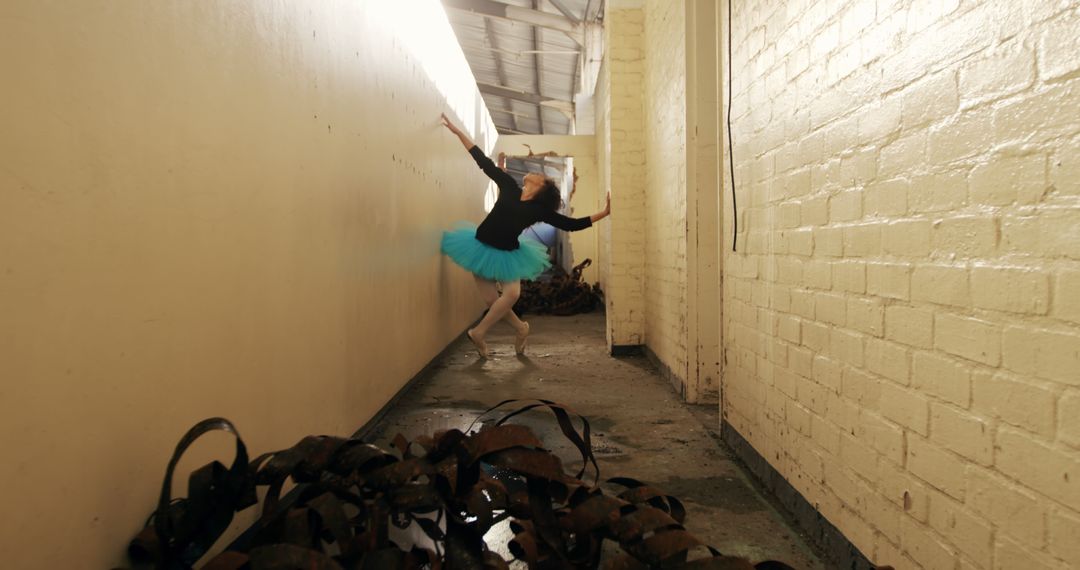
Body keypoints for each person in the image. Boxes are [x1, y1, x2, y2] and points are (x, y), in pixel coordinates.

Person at [439, 113, 611, 358]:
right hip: (479, 247)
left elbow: (571, 224)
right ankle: (521, 328)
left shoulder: (540, 210)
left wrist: (603, 213)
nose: (532, 174)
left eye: (539, 176)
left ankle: (478, 333)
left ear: (541, 188)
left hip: (508, 254)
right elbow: (482, 162)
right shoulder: (509, 186)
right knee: (492, 301)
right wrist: (458, 132)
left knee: (511, 294)